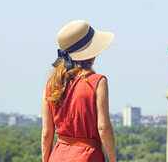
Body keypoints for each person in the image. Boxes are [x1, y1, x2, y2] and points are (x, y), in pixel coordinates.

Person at [41, 19, 116, 162]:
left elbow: (46, 133)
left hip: (57, 156)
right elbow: (103, 128)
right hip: (88, 157)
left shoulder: (52, 84)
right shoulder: (98, 82)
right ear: (91, 53)